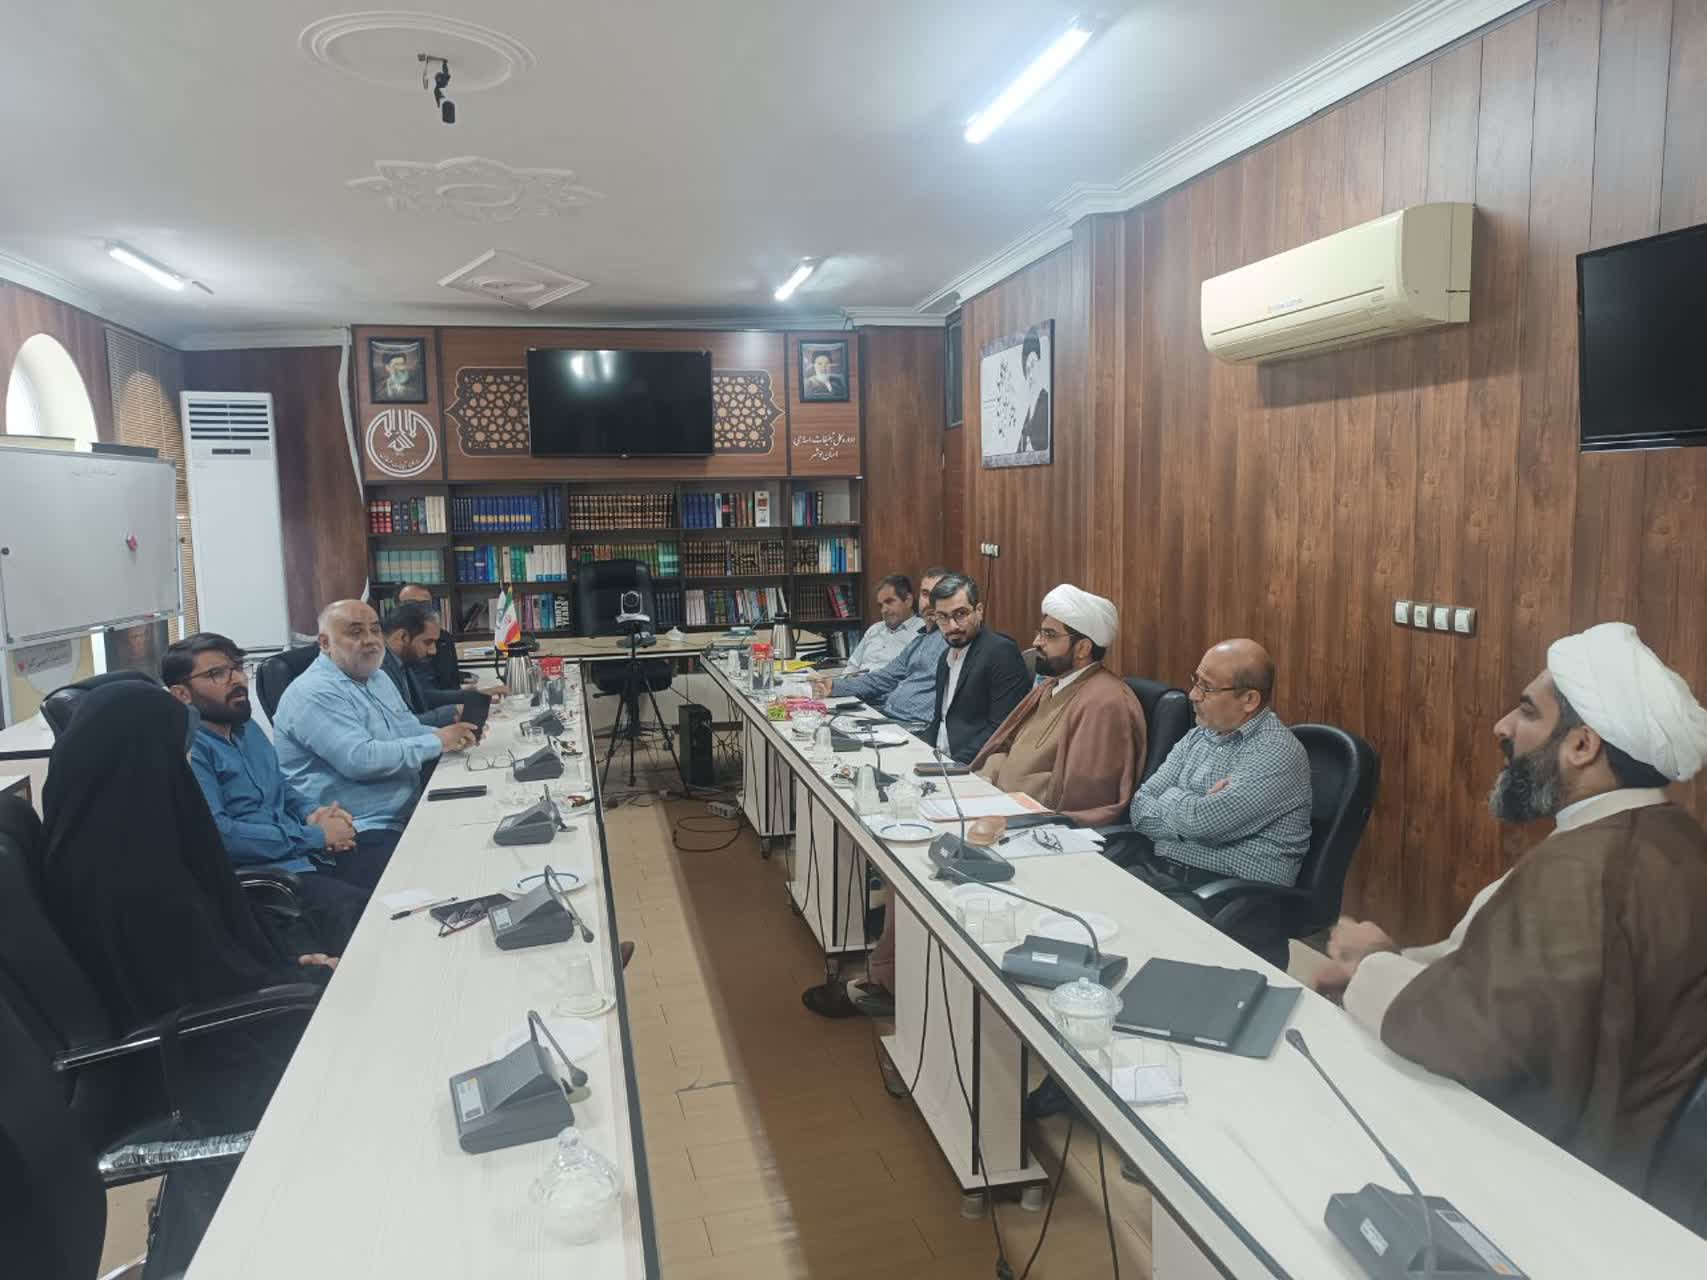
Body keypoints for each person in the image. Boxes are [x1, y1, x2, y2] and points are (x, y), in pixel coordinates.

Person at [1316, 623, 1707, 1196]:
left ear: (1582, 746)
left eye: (1527, 712)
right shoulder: (1669, 835)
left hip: (1559, 1178)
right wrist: (1390, 962)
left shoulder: (1585, 869)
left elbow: (1475, 1037)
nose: (1502, 727)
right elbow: (1514, 983)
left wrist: (1372, 963)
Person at [37, 680, 339, 1270]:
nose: (183, 769)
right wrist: (285, 988)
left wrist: (280, 968)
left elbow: (204, 952)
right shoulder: (130, 874)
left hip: (191, 1024)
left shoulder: (102, 833)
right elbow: (191, 977)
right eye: (176, 756)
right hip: (185, 1055)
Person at [164, 632, 368, 950]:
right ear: (181, 694)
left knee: (396, 869)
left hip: (305, 855)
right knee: (367, 916)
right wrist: (316, 836)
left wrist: (313, 814)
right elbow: (221, 836)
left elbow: (281, 787)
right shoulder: (191, 752)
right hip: (268, 882)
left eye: (237, 667)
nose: (237, 680)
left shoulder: (247, 728)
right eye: (217, 673)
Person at [274, 600, 478, 889]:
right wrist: (437, 740)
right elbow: (360, 759)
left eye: (374, 630)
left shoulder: (377, 676)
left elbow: (407, 728)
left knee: (481, 836)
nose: (370, 640)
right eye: (355, 632)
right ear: (325, 643)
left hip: (407, 809)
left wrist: (452, 735)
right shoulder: (313, 693)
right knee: (446, 883)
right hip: (360, 829)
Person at [1123, 638, 1311, 892]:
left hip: (1232, 894)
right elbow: (1140, 805)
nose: (1193, 695)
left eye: (1207, 687)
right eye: (1196, 681)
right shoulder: (1198, 735)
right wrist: (1194, 807)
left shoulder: (1276, 752)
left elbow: (1203, 824)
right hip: (1167, 874)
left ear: (1249, 699)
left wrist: (1172, 799)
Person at [970, 585, 1145, 825]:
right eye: (1040, 633)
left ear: (1083, 648)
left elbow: (1085, 794)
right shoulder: (1051, 686)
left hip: (1035, 822)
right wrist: (989, 777)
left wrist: (1010, 801)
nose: (1036, 642)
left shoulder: (1106, 701)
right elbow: (1008, 747)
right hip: (998, 804)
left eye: (1049, 635)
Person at [810, 567, 951, 724]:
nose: (930, 602)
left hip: (909, 723)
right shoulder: (919, 641)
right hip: (885, 714)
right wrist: (834, 686)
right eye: (925, 594)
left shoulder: (949, 640)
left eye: (937, 595)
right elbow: (883, 677)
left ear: (909, 600)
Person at [925, 572, 1031, 765]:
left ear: (979, 611)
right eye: (942, 617)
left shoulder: (1000, 652)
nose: (952, 626)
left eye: (961, 614)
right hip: (937, 757)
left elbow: (1001, 730)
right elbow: (939, 721)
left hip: (971, 765)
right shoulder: (945, 657)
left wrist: (952, 767)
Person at [381, 601, 482, 728]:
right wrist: (452, 713)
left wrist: (467, 697)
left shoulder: (401, 659)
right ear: (403, 637)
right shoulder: (378, 668)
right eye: (428, 642)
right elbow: (397, 727)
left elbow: (421, 699)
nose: (433, 651)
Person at [846, 574, 924, 673]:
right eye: (881, 605)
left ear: (908, 601)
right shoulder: (874, 629)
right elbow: (852, 666)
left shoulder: (923, 632)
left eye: (889, 602)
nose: (884, 610)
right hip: (858, 681)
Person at [1018, 332, 1050, 455]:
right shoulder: (1026, 412)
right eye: (1027, 370)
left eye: (1033, 365)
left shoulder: (1046, 401)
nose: (1030, 376)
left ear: (1039, 363)